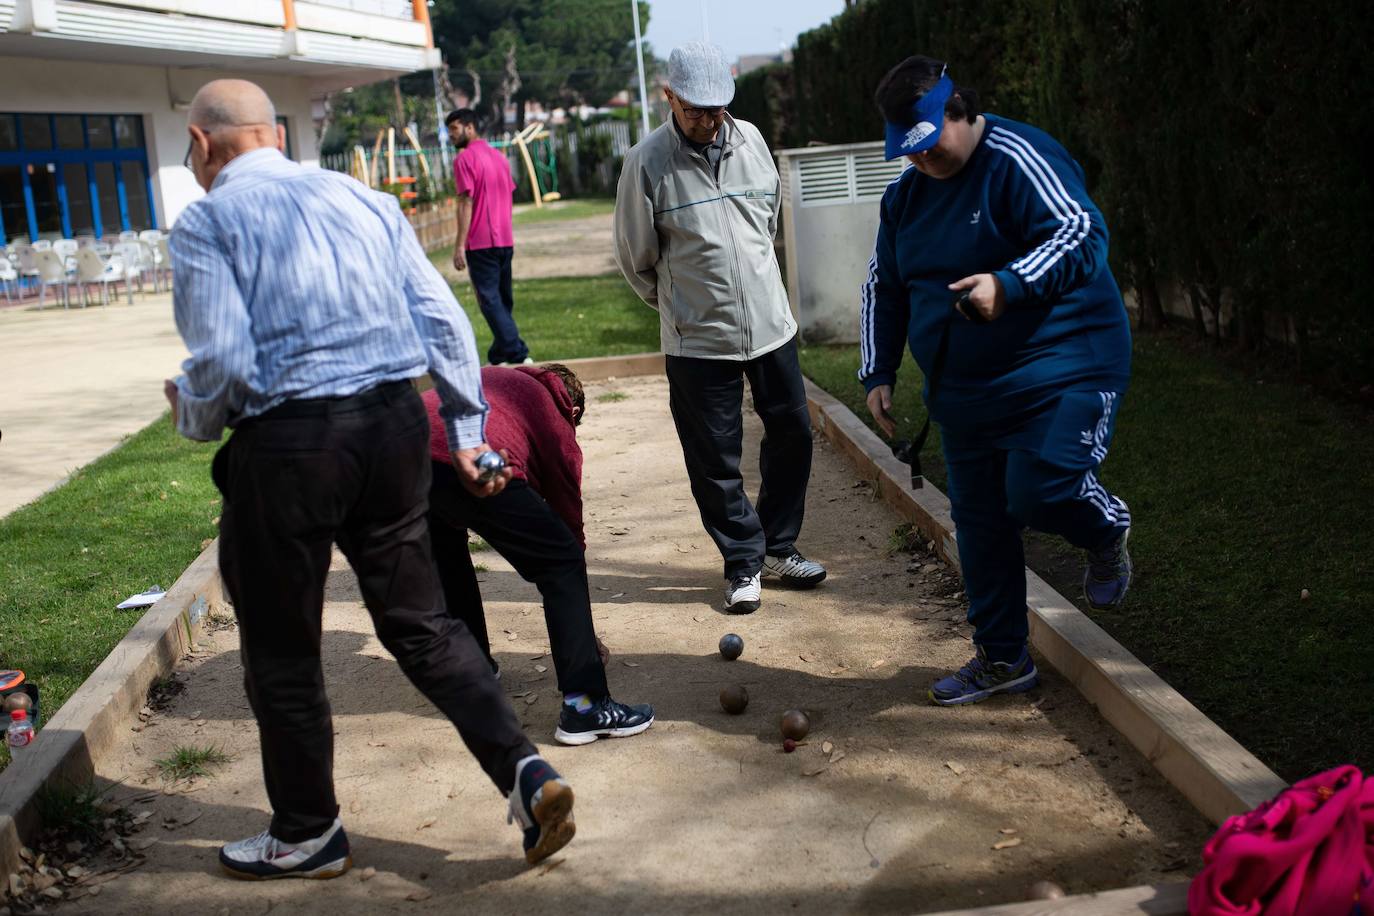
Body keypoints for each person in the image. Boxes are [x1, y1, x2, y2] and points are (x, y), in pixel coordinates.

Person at [165, 79, 574, 879]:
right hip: (390, 428)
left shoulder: (207, 222)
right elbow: (444, 321)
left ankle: (308, 831)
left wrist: (192, 413)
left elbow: (221, 360)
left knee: (282, 648)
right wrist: (463, 433)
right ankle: (524, 769)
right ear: (276, 135)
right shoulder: (364, 200)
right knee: (422, 625)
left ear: (203, 143)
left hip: (289, 447)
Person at [858, 56, 1134, 707]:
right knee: (979, 526)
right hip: (967, 392)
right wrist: (878, 370)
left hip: (1063, 365)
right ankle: (1003, 657)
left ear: (961, 110)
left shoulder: (1018, 157)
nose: (921, 161)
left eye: (929, 146)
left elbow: (1081, 231)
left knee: (1039, 490)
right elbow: (884, 284)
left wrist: (1006, 285)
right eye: (910, 152)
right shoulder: (904, 197)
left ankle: (1104, 528)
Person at [613, 41, 826, 615]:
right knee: (715, 456)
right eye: (695, 110)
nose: (708, 122)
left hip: (770, 327)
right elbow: (636, 258)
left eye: (716, 109)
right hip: (698, 340)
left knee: (793, 436)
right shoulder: (646, 162)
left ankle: (780, 545)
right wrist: (684, 308)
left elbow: (767, 219)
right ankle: (742, 563)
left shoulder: (753, 141)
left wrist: (758, 289)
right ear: (669, 97)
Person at [421, 364, 655, 746]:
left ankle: (471, 668)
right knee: (561, 562)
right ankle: (586, 707)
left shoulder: (497, 376)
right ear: (574, 411)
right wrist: (580, 627)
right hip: (475, 458)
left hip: (401, 453)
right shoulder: (554, 411)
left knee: (445, 546)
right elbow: (567, 517)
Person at [446, 108, 530, 367]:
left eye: (455, 129)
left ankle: (518, 353)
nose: (451, 136)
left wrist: (460, 245)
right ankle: (499, 356)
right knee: (502, 300)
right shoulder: (499, 157)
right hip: (505, 240)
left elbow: (465, 203)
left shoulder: (464, 160)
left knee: (490, 301)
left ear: (470, 127)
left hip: (480, 242)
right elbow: (507, 195)